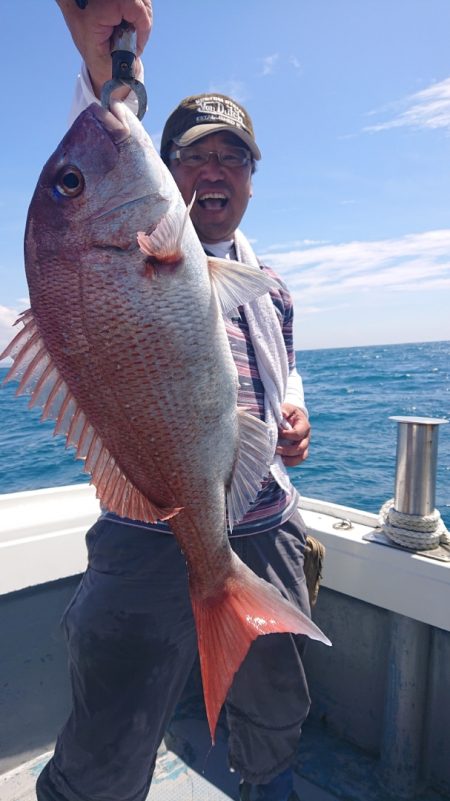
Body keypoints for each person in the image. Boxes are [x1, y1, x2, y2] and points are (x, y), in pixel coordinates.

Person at [37, 3, 314, 800]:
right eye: (197, 157)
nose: (217, 171)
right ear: (164, 169)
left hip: (262, 529)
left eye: (236, 158)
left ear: (253, 180)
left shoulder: (273, 286)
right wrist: (112, 70)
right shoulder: (141, 251)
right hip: (143, 532)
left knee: (273, 721)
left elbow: (279, 379)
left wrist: (293, 418)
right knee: (107, 738)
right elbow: (103, 129)